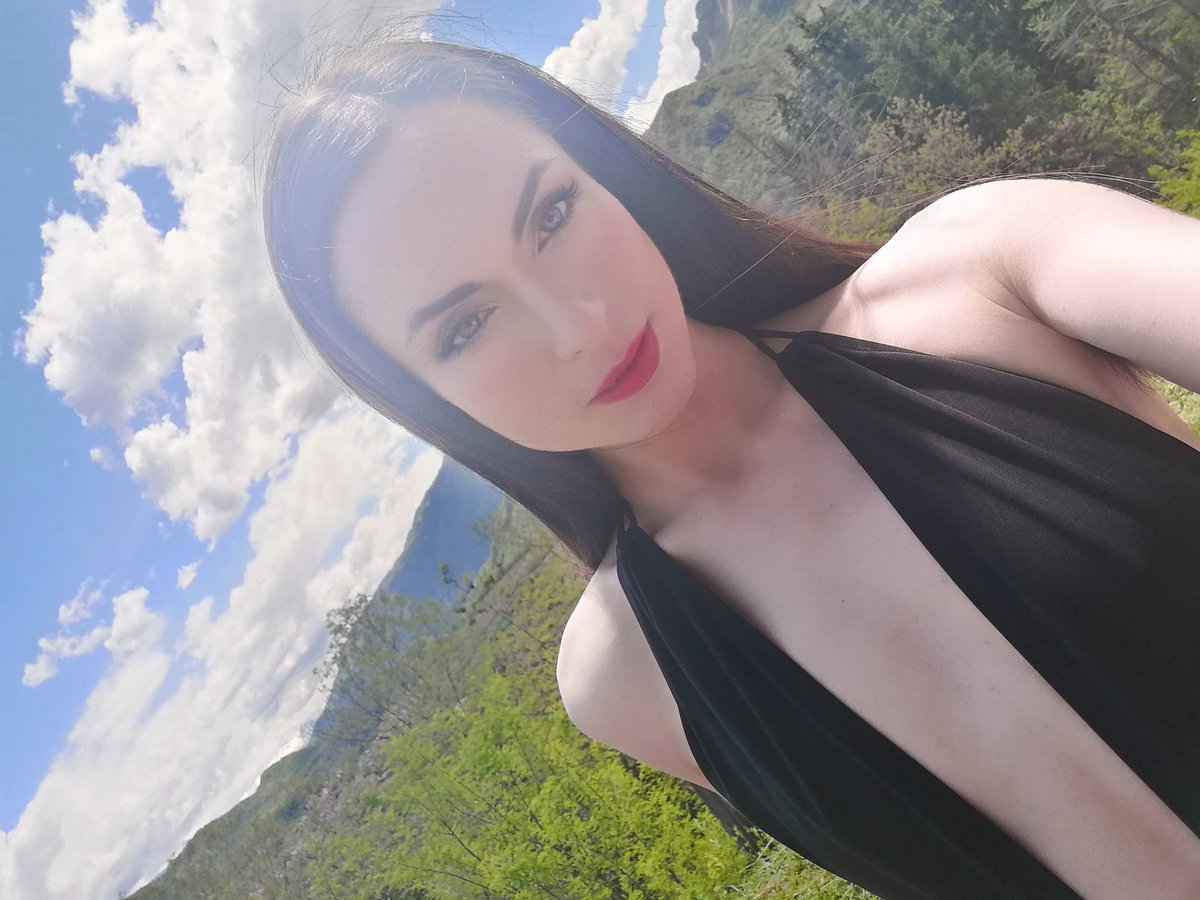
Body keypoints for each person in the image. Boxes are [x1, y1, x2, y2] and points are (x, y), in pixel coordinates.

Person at [262, 38, 1200, 900]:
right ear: (430, 401)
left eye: (552, 213)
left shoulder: (979, 272)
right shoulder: (626, 675)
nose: (578, 327)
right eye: (466, 326)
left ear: (608, 176)